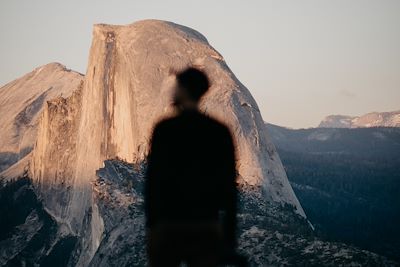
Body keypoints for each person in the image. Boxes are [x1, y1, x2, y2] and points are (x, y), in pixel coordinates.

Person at [145, 67, 238, 267]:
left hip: (169, 227)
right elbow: (230, 187)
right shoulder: (219, 132)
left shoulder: (165, 130)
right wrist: (229, 238)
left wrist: (152, 227)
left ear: (184, 90)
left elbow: (153, 181)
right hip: (206, 227)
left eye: (177, 87)